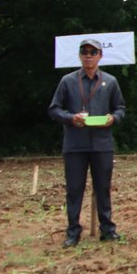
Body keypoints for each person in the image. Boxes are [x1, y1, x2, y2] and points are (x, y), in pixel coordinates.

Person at [48, 38, 126, 248]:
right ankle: (73, 232)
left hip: (102, 144)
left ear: (100, 55)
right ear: (80, 55)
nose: (88, 56)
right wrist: (71, 118)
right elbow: (54, 109)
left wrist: (114, 118)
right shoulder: (68, 81)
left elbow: (120, 107)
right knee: (74, 189)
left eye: (93, 52)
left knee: (103, 188)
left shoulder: (110, 81)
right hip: (75, 144)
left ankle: (107, 229)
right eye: (85, 52)